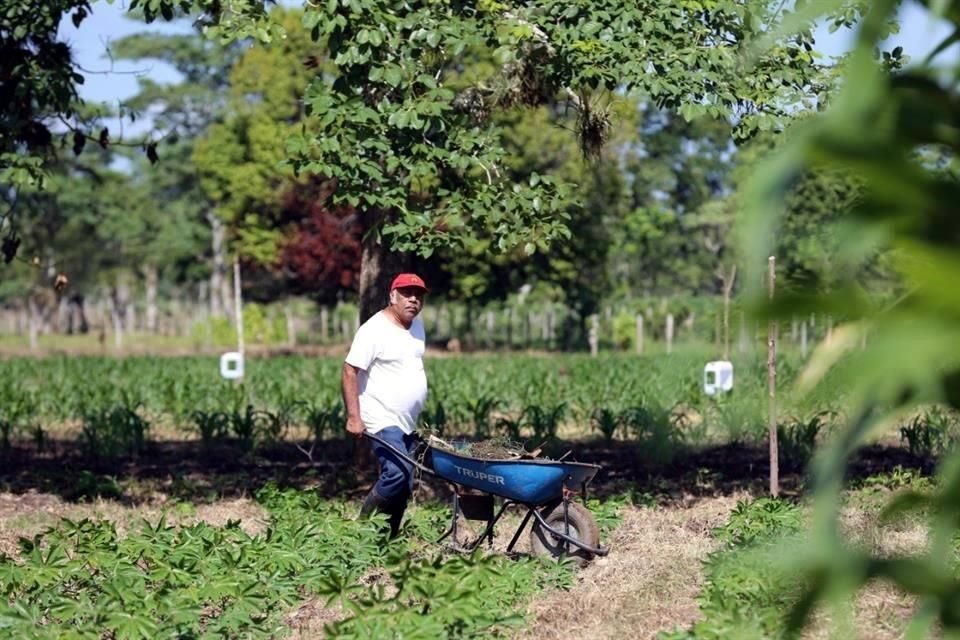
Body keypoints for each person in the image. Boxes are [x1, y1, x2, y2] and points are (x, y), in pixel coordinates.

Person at [342, 272, 429, 538]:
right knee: (396, 475)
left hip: (407, 421)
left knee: (405, 482)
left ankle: (388, 537)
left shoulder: (416, 326)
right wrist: (354, 417)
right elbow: (349, 371)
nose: (413, 300)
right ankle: (362, 530)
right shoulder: (374, 330)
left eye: (419, 295)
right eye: (406, 294)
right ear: (392, 296)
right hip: (381, 417)